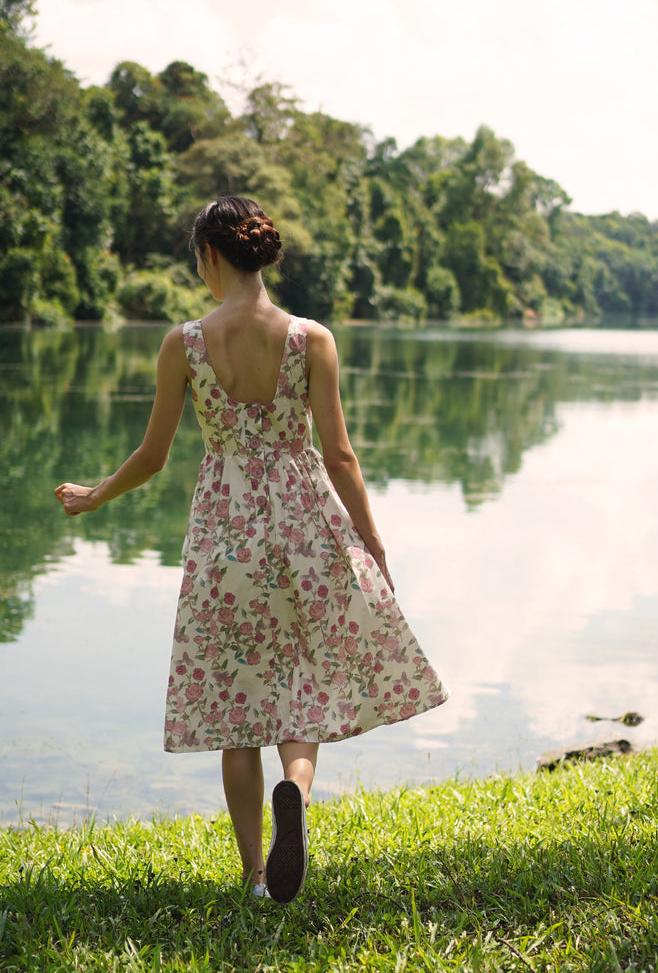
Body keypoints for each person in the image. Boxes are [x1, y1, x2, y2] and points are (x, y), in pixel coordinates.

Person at [55, 195, 448, 903]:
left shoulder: (185, 342)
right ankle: (293, 789)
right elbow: (340, 455)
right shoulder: (311, 338)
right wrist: (371, 540)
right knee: (304, 681)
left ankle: (253, 874)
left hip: (225, 531)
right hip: (304, 526)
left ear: (209, 254)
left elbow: (151, 457)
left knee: (238, 707)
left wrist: (94, 495)